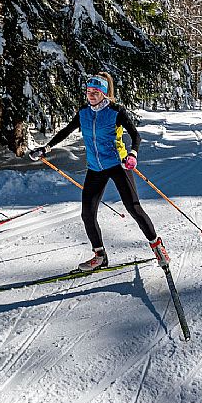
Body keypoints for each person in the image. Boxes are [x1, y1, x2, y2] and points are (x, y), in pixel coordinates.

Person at [28, 72, 170, 271]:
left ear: (104, 93)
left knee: (133, 207)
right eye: (88, 91)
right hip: (95, 168)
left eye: (95, 92)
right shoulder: (84, 113)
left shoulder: (115, 111)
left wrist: (133, 154)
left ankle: (157, 246)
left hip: (117, 165)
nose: (91, 95)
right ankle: (100, 255)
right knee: (87, 213)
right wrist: (46, 148)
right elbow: (65, 132)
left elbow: (135, 136)